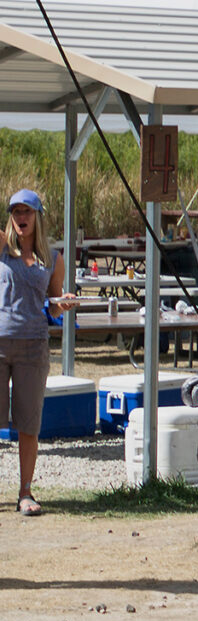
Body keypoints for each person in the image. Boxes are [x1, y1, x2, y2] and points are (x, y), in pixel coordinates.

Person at [1, 189, 76, 516]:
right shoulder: (3, 248)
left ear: (38, 216)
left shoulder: (54, 259)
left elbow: (53, 308)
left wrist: (63, 305)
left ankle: (25, 492)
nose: (21, 217)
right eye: (16, 211)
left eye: (27, 211)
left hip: (34, 346)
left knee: (29, 424)